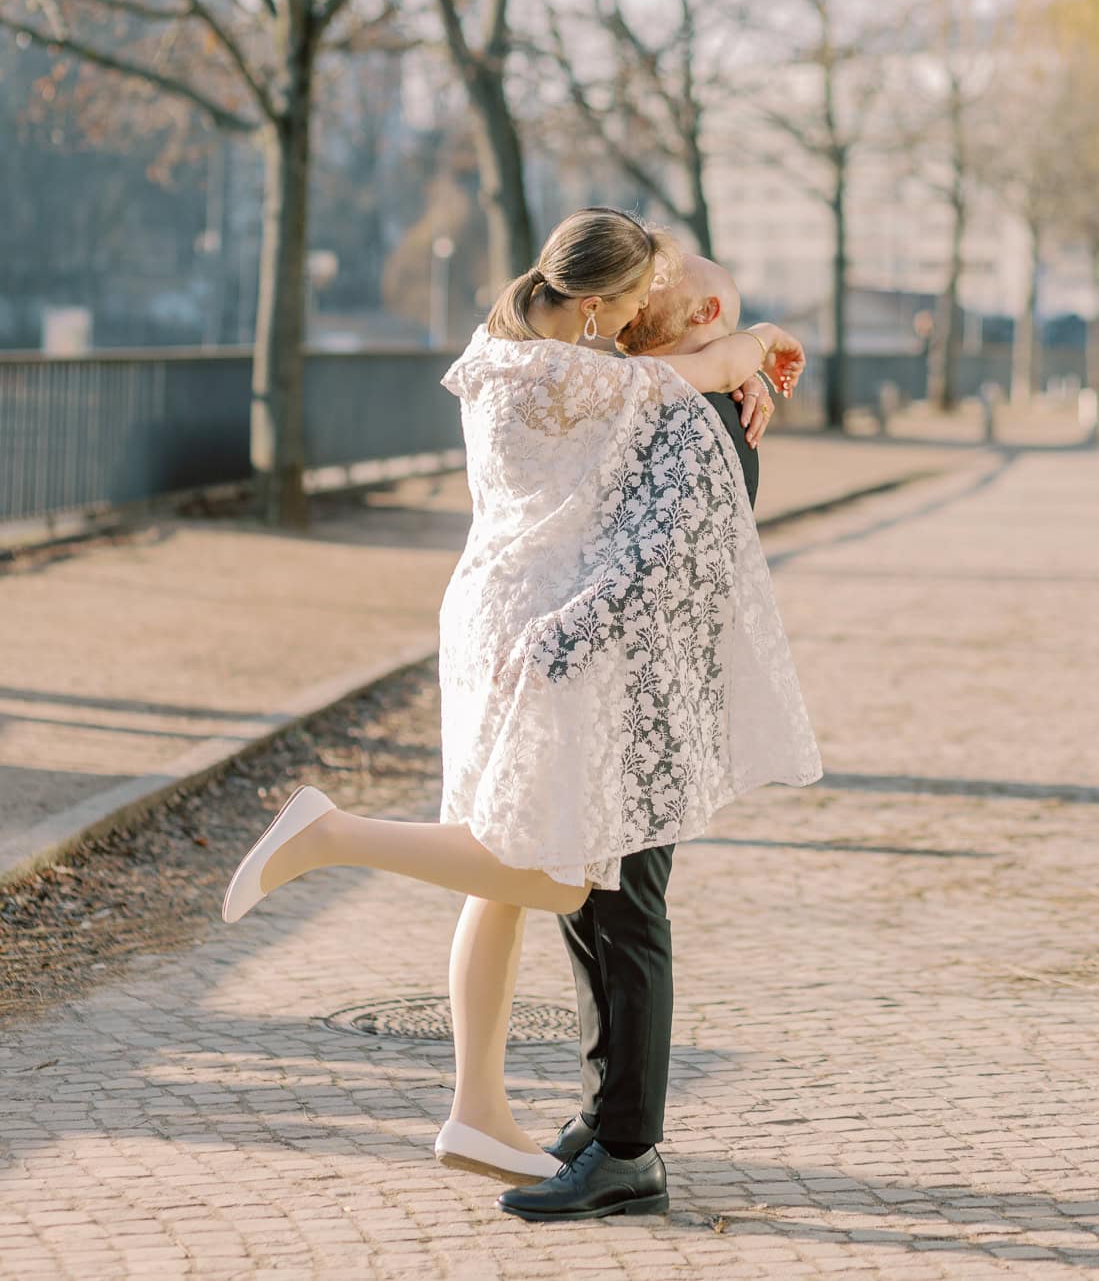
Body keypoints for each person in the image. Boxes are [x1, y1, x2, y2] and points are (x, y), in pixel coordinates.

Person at [221, 207, 821, 1222]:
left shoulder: (533, 355)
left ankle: (576, 1130)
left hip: (579, 661)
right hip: (557, 648)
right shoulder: (607, 382)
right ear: (592, 309)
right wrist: (754, 351)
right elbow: (674, 386)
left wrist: (748, 360)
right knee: (561, 886)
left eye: (656, 305)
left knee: (587, 900)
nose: (637, 323)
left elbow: (661, 553)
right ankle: (599, 1126)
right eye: (632, 304)